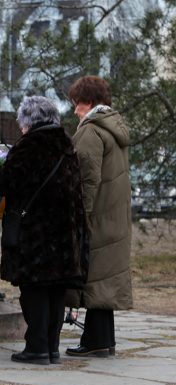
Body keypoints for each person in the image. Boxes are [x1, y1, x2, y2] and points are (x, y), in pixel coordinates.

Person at [0, 96, 88, 365]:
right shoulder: (66, 146)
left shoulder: (29, 147)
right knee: (56, 290)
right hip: (64, 234)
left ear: (28, 121)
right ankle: (51, 348)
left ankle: (36, 348)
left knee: (34, 290)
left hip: (35, 234)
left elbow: (4, 181)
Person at [65, 76, 132, 357]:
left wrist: (79, 217)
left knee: (95, 277)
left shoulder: (91, 132)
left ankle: (97, 342)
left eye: (76, 104)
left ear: (88, 103)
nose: (74, 110)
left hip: (97, 216)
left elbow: (87, 180)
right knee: (104, 279)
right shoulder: (114, 129)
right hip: (114, 215)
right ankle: (102, 340)